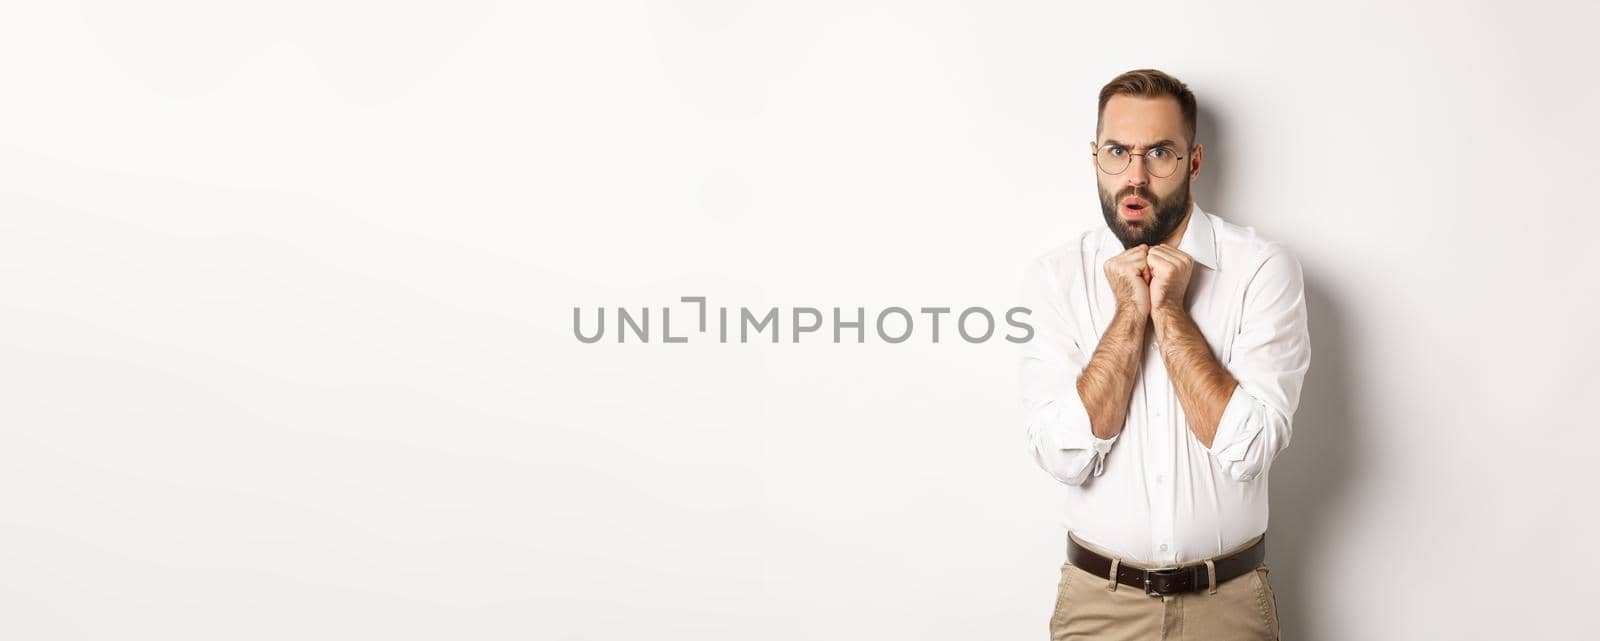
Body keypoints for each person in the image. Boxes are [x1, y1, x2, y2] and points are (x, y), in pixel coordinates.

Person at [1019, 68, 1312, 640]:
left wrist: (1171, 315)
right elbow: (1062, 456)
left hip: (1227, 607)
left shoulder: (1261, 270)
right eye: (1117, 151)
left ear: (1194, 162)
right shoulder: (1057, 277)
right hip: (1098, 607)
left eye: (1160, 153)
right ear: (1094, 157)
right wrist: (1131, 314)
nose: (1136, 176)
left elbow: (1249, 449)